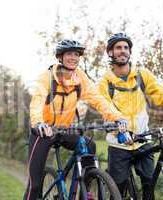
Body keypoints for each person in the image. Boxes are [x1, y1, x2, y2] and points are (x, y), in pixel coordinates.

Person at [97, 33, 163, 200]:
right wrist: (117, 128)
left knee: (149, 187)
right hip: (119, 144)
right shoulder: (105, 81)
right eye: (118, 48)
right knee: (117, 192)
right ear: (110, 53)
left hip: (143, 140)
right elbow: (105, 108)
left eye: (126, 48)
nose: (123, 51)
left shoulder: (142, 75)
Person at [23, 39, 127, 200]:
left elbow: (97, 99)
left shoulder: (80, 77)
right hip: (44, 131)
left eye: (76, 54)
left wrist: (118, 117)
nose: (73, 57)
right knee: (35, 184)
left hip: (65, 130)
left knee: (89, 146)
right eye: (69, 54)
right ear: (60, 57)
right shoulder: (48, 77)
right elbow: (37, 100)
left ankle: (84, 192)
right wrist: (38, 123)